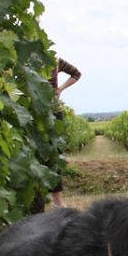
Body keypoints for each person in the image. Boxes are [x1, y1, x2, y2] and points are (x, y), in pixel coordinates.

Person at [49, 55, 81, 208]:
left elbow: (76, 73)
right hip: (32, 111)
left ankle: (57, 201)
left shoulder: (53, 59)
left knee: (54, 155)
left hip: (53, 111)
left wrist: (60, 89)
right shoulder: (24, 57)